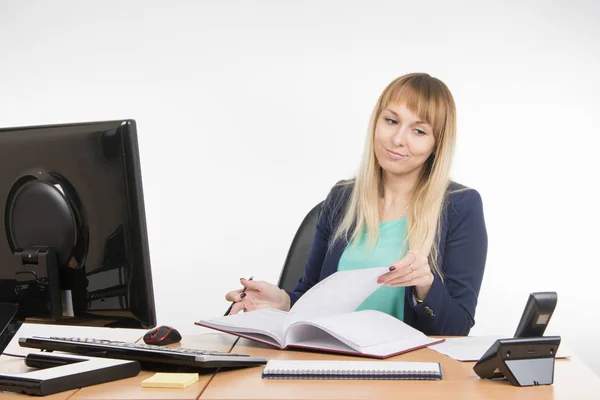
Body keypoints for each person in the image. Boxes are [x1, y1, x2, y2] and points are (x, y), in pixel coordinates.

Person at [225, 72, 487, 336]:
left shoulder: (460, 206)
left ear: (436, 145)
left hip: (407, 369)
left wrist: (426, 287)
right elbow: (311, 296)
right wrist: (281, 302)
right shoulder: (342, 198)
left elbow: (458, 327)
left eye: (418, 131)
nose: (397, 139)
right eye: (391, 121)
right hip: (329, 358)